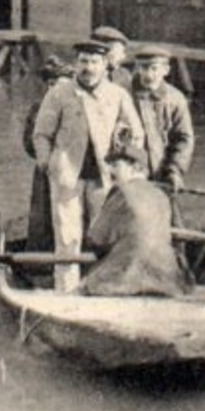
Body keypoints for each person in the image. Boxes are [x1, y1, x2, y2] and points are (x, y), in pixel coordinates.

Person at [30, 39, 146, 293]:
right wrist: (47, 162)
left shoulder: (117, 95)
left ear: (105, 65)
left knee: (102, 235)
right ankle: (66, 291)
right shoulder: (59, 94)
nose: (88, 68)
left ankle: (99, 288)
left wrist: (125, 161)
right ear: (75, 64)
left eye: (94, 62)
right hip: (67, 175)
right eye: (83, 61)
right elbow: (41, 133)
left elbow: (137, 134)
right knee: (67, 235)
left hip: (104, 177)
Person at [81, 142, 192, 298]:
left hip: (128, 276)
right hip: (166, 278)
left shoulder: (121, 192)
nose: (110, 170)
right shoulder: (161, 195)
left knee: (86, 285)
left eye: (116, 165)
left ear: (135, 167)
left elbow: (96, 239)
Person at [21, 55, 73, 252]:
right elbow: (28, 143)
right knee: (44, 215)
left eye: (59, 84)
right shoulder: (39, 107)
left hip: (74, 169)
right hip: (46, 171)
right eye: (50, 84)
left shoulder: (78, 106)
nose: (54, 89)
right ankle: (41, 260)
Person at [130, 45, 195, 193]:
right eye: (143, 68)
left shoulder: (176, 99)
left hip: (161, 175)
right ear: (136, 68)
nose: (148, 74)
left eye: (154, 68)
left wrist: (174, 170)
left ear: (165, 70)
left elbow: (183, 139)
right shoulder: (123, 95)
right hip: (130, 174)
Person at [92, 25, 133, 89]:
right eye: (120, 52)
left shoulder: (124, 75)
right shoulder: (88, 73)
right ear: (108, 54)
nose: (123, 57)